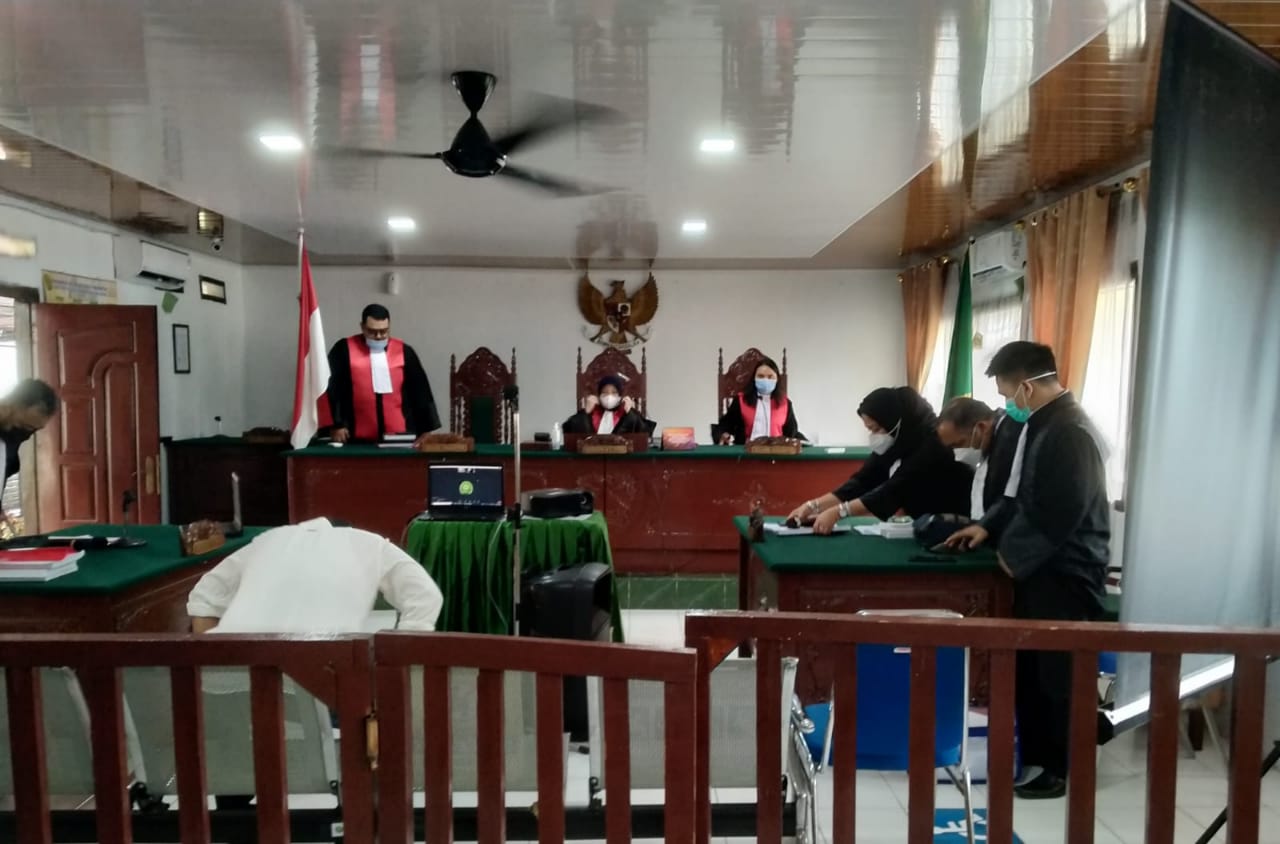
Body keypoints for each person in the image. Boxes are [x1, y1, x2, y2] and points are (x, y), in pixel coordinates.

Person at [946, 342, 1110, 800]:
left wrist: (1012, 556)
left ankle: (1057, 769)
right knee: (1034, 671)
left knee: (1057, 675)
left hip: (1066, 571)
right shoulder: (1041, 423)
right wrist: (987, 526)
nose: (1006, 403)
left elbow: (1061, 510)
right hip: (1041, 566)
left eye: (1006, 393)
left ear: (1027, 386)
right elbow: (1018, 494)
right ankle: (1037, 758)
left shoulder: (1070, 430)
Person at [187, 517, 443, 634]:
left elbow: (205, 595)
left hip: (240, 676)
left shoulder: (268, 542)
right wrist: (398, 655)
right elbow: (425, 596)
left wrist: (213, 657)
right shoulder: (366, 542)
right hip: (324, 673)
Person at [786, 386, 972, 535]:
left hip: (954, 525)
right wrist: (812, 506)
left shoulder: (932, 445)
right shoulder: (897, 442)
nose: (874, 436)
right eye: (870, 430)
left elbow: (892, 490)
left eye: (876, 429)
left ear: (895, 422)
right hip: (924, 525)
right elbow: (862, 481)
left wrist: (838, 512)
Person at [326, 304, 441, 443]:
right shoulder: (343, 350)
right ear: (362, 327)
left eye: (384, 331)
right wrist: (336, 424)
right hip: (353, 436)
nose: (379, 336)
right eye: (372, 331)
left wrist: (426, 429)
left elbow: (420, 391)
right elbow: (332, 389)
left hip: (399, 436)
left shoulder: (404, 352)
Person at [935, 396, 1023, 530]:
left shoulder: (1009, 443)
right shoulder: (990, 445)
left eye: (959, 444)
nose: (956, 453)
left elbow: (1009, 500)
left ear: (981, 427)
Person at [0, 379, 57, 536]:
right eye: (25, 426)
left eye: (34, 430)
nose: (26, 434)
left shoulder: (10, 436)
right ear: (12, 405)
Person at [717, 356, 803, 444]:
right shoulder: (741, 400)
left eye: (770, 377)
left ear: (777, 379)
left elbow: (792, 433)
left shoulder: (785, 403)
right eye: (761, 376)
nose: (765, 380)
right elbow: (725, 425)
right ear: (754, 379)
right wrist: (724, 434)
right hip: (746, 450)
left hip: (777, 450)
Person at [563, 374, 650, 435]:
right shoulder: (592, 412)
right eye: (604, 392)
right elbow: (568, 430)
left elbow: (645, 434)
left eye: (614, 392)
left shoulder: (625, 412)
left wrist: (630, 413)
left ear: (620, 396)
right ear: (598, 395)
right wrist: (585, 412)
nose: (609, 396)